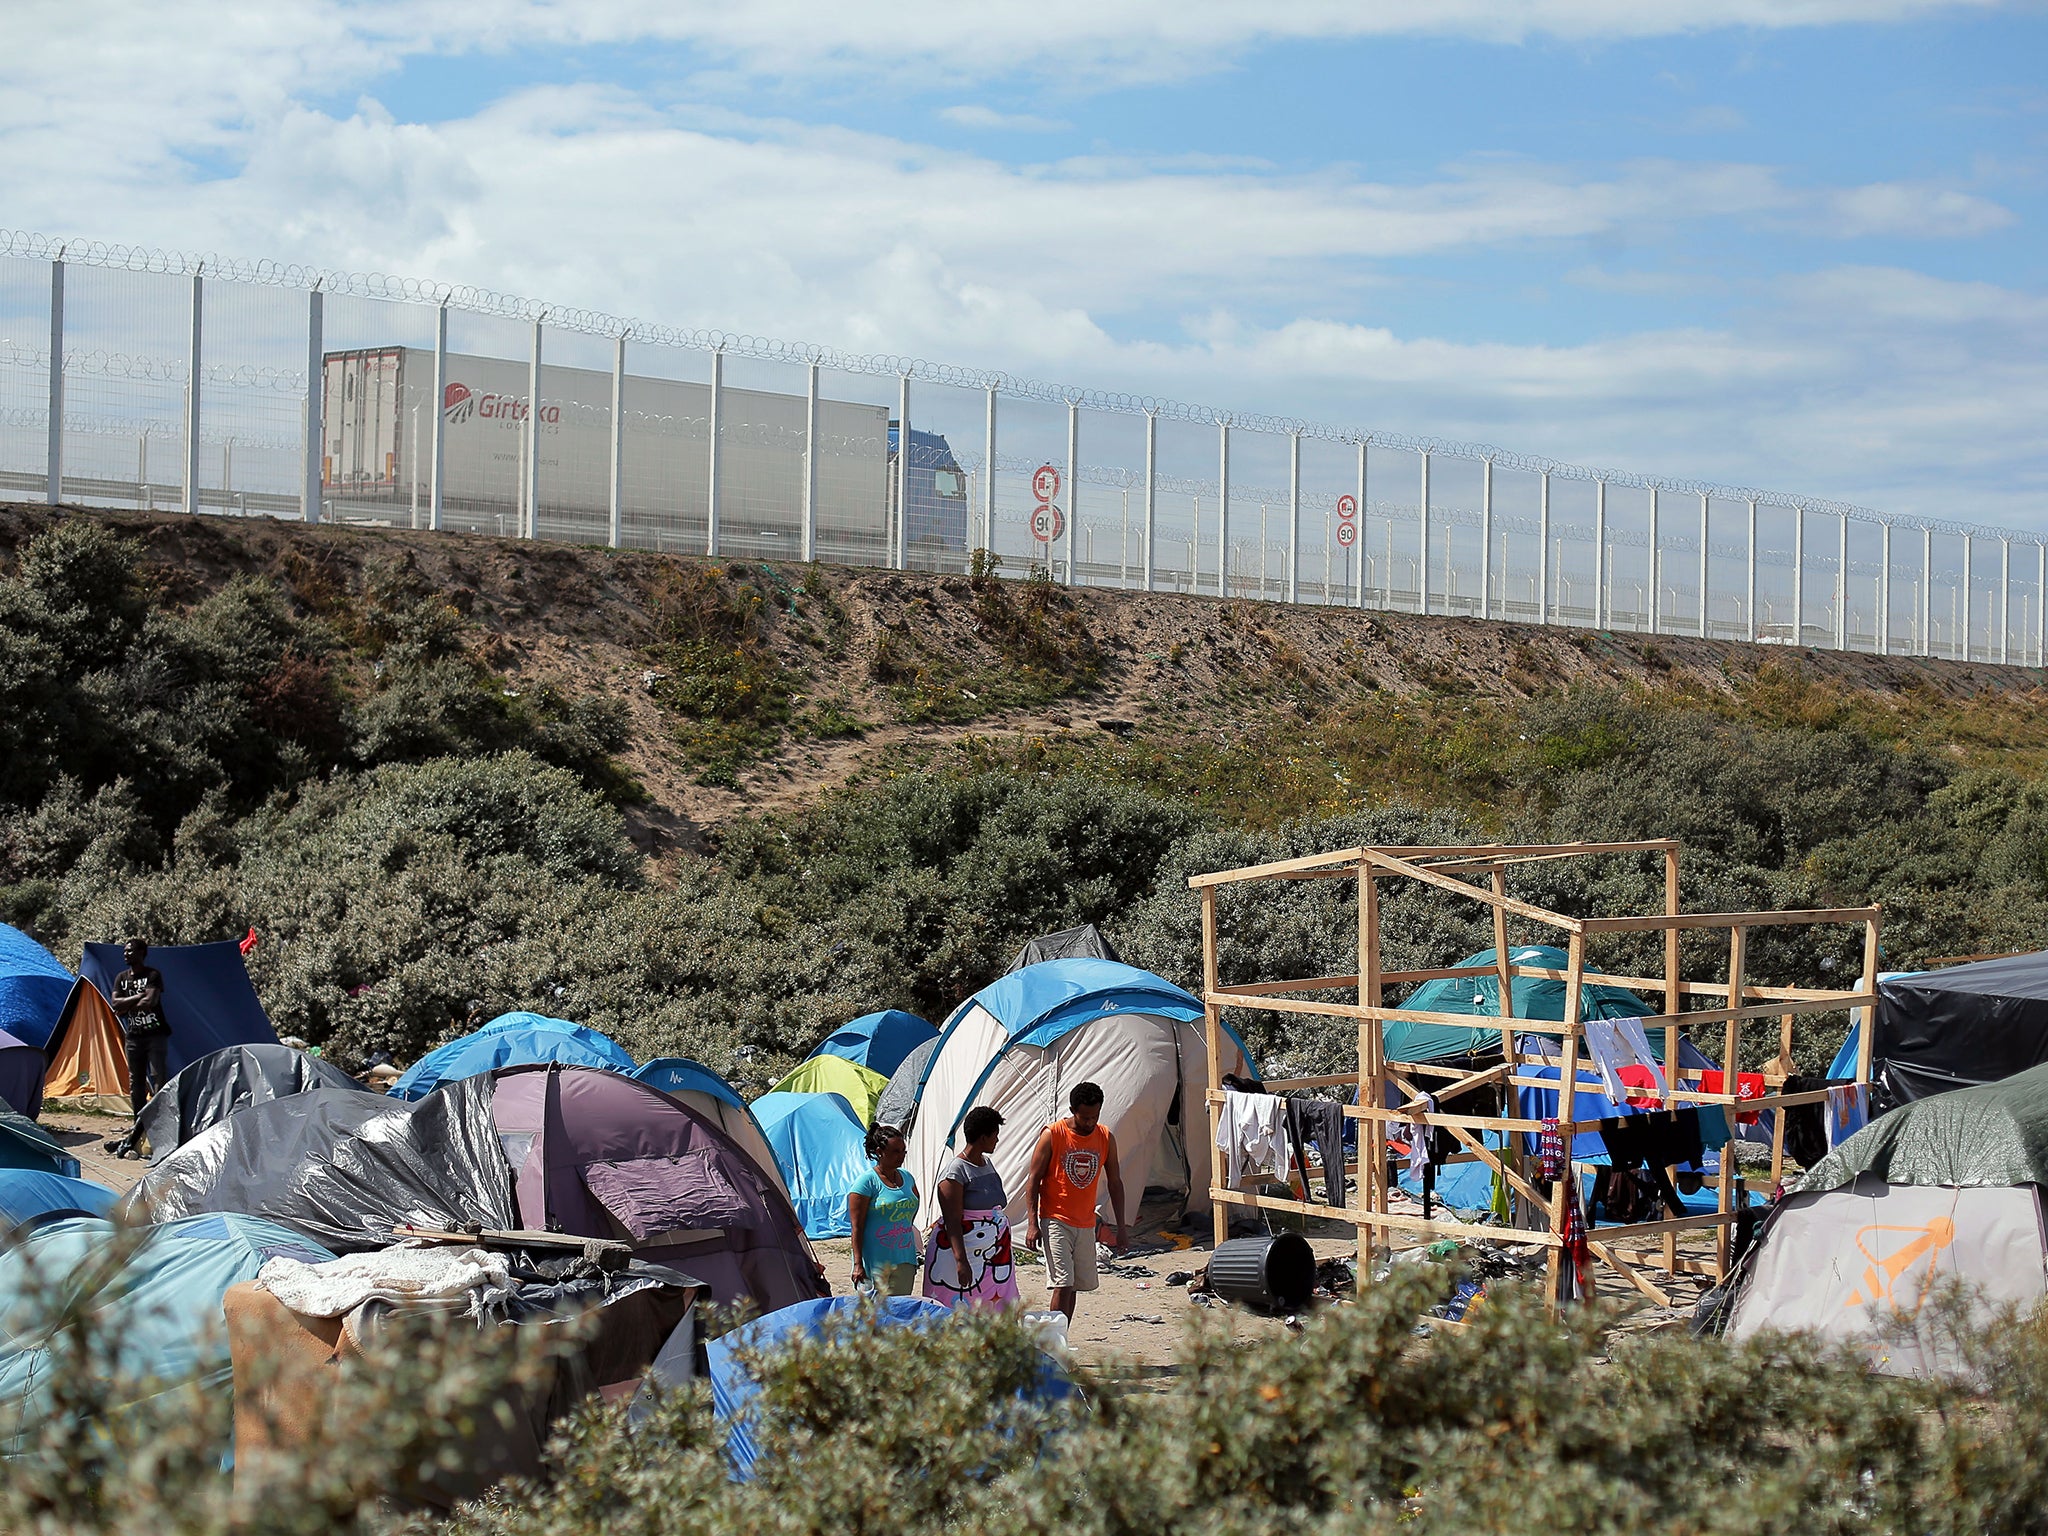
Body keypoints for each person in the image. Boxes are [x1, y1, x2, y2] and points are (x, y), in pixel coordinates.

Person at [1024, 1081, 1127, 1323]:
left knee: (1075, 1286)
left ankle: (1061, 1336)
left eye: (1095, 1116)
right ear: (1072, 1110)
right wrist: (1032, 1223)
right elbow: (1033, 1180)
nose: (1090, 1122)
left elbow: (1115, 1182)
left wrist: (1121, 1227)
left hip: (1085, 1222)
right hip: (1056, 1219)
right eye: (1085, 1118)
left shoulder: (1105, 1137)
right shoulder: (1053, 1135)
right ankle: (1053, 1342)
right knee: (1062, 1283)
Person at [926, 1105, 1018, 1309]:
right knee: (960, 1306)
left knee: (995, 1306)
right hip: (965, 1252)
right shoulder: (955, 1172)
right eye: (995, 1135)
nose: (997, 1140)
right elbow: (952, 1219)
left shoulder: (986, 1163)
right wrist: (961, 1261)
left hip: (991, 1252)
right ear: (983, 1137)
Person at [848, 1122, 921, 1296]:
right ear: (880, 1152)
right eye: (895, 1151)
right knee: (875, 1316)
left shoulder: (907, 1178)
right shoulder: (866, 1183)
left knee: (901, 1313)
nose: (901, 1156)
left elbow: (912, 1209)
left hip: (904, 1259)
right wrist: (858, 1264)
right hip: (875, 1262)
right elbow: (856, 1227)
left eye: (903, 1151)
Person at [108, 937, 170, 1116]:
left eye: (129, 951)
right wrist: (137, 997)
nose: (126, 954)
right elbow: (115, 1003)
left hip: (155, 1034)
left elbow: (150, 1001)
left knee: (158, 1075)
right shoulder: (121, 978)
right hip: (134, 1037)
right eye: (124, 951)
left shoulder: (153, 975)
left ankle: (159, 1118)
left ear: (141, 953)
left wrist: (125, 1006)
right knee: (136, 1081)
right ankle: (139, 1121)